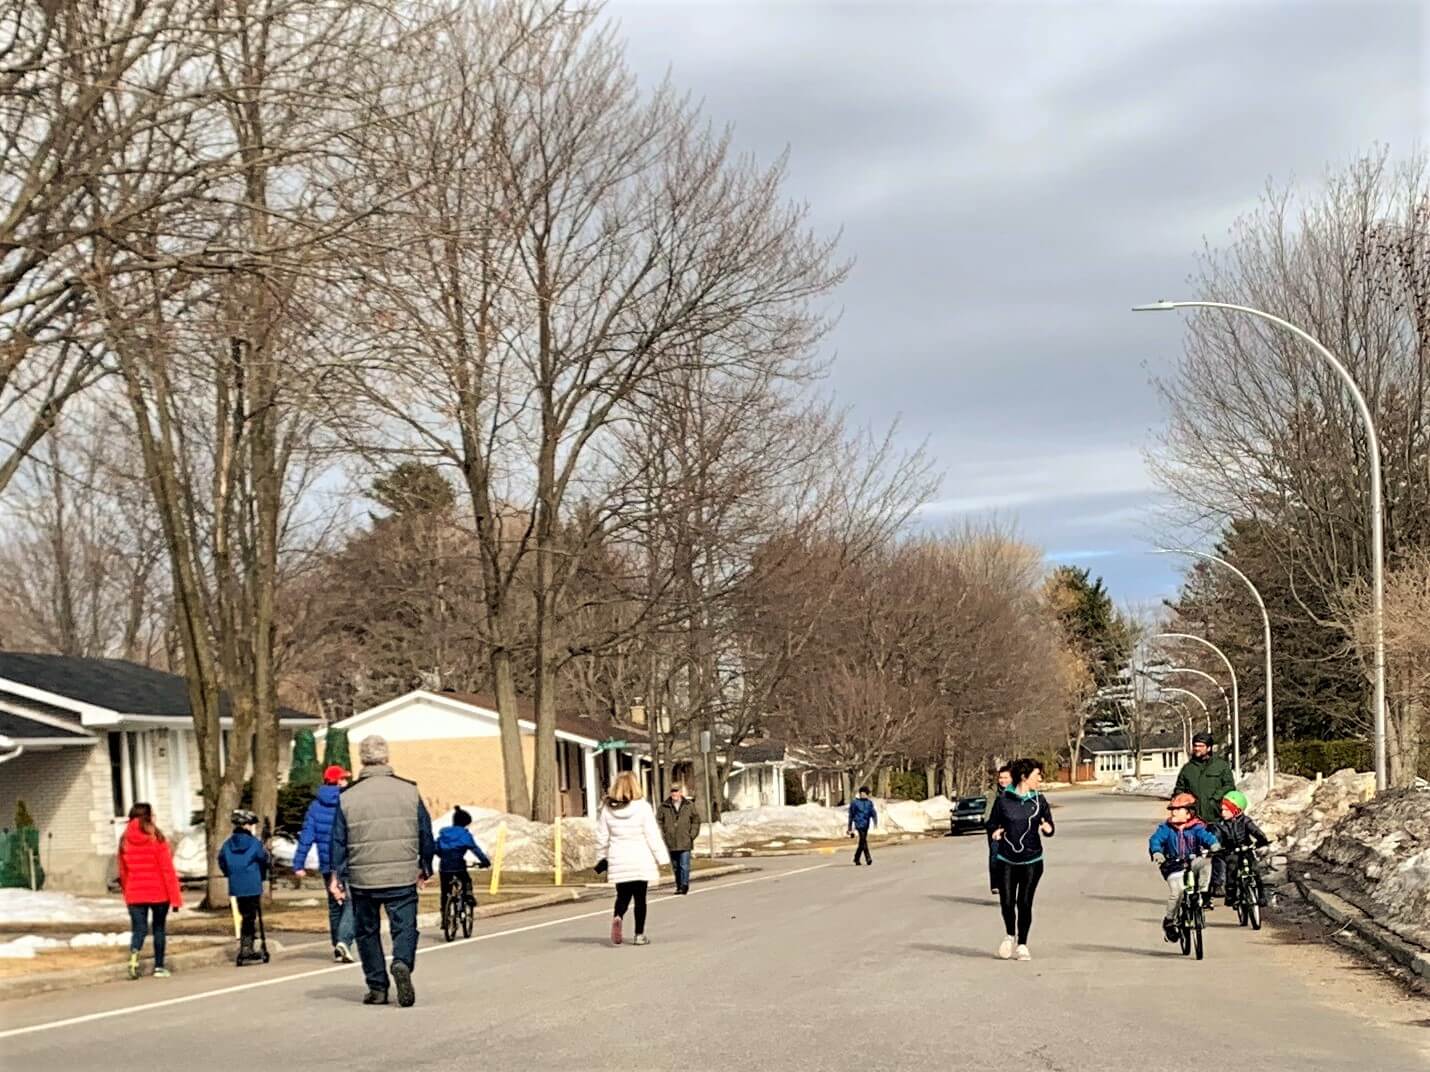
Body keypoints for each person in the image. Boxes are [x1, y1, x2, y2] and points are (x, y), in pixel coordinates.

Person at [329, 735, 435, 1008]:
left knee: (366, 931)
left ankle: (377, 987)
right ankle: (401, 962)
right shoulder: (409, 790)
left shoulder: (348, 796)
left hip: (363, 878)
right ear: (386, 758)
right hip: (401, 873)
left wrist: (336, 876)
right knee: (405, 927)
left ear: (362, 760)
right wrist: (425, 865)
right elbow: (425, 830)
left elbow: (338, 841)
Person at [987, 758, 1054, 961]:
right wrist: (995, 831)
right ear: (1025, 777)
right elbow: (991, 823)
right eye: (1037, 775)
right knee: (1007, 902)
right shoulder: (1004, 800)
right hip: (1006, 859)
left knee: (1024, 902)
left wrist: (1048, 829)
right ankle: (1009, 935)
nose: (1040, 779)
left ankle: (1022, 944)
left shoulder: (1039, 800)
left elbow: (1049, 824)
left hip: (1032, 860)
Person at [595, 771, 670, 947]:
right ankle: (639, 935)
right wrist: (662, 858)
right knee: (640, 899)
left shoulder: (608, 809)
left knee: (622, 896)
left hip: (618, 857)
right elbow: (652, 834)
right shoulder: (643, 807)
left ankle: (618, 916)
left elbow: (602, 836)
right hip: (640, 857)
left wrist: (601, 858)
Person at [293, 764, 356, 963]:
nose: (346, 781)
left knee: (334, 905)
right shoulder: (347, 801)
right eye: (344, 778)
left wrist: (298, 863)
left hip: (327, 863)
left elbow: (306, 836)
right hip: (347, 859)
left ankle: (336, 943)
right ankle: (344, 941)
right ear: (338, 781)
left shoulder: (315, 806)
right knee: (352, 901)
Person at [118, 802, 183, 980]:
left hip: (135, 892)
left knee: (138, 929)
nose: (155, 817)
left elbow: (123, 871)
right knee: (158, 928)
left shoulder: (124, 839)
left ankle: (133, 957)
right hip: (158, 891)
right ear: (147, 816)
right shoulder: (156, 838)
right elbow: (167, 870)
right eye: (152, 814)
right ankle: (159, 966)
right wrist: (175, 897)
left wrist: (127, 890)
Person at [1149, 792, 1221, 942]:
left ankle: (1202, 893)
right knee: (1177, 892)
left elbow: (1207, 837)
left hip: (1192, 861)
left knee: (1206, 862)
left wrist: (1214, 845)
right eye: (1172, 810)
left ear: (1189, 813)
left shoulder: (1196, 828)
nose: (1173, 812)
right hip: (1173, 865)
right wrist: (1157, 852)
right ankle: (1169, 920)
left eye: (1178, 809)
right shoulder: (1166, 828)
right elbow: (1155, 840)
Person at [1173, 732, 1236, 897]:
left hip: (1216, 817)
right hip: (1195, 819)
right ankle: (1195, 886)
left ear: (1209, 748)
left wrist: (1216, 798)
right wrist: (1182, 803)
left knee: (1218, 851)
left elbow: (1229, 786)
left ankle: (1217, 884)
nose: (1196, 749)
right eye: (1195, 746)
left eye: (1200, 746)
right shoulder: (1188, 769)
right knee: (1193, 854)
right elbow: (1179, 789)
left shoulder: (1221, 766)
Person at [218, 809, 270, 967]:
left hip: (237, 885)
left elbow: (222, 862)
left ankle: (247, 944)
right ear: (247, 826)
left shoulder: (227, 845)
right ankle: (246, 947)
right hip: (252, 884)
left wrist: (231, 874)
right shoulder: (254, 844)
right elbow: (263, 859)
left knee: (245, 915)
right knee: (250, 916)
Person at [1214, 789, 1271, 907]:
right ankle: (1231, 895)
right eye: (1222, 809)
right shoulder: (1221, 825)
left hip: (1246, 849)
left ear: (1236, 810)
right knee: (1231, 871)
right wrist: (1216, 847)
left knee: (1255, 870)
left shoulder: (1245, 821)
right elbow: (1217, 837)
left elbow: (1255, 831)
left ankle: (1261, 895)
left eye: (1226, 809)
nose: (1223, 812)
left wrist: (1262, 841)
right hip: (1231, 851)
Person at [433, 806, 491, 917]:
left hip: (444, 866)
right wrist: (485, 862)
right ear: (466, 822)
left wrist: (443, 855)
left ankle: (444, 915)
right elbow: (475, 850)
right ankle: (468, 895)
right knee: (466, 880)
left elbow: (436, 848)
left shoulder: (444, 834)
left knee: (445, 891)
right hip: (458, 864)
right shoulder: (465, 835)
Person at [656, 783, 701, 895]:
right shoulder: (664, 806)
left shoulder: (689, 805)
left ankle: (684, 885)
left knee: (684, 865)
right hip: (670, 841)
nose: (674, 793)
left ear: (681, 792)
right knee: (676, 866)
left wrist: (692, 834)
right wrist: (663, 834)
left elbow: (696, 820)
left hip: (685, 839)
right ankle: (679, 885)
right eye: (673, 791)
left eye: (676, 791)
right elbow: (658, 822)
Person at [984, 765, 1013, 895]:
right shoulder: (993, 792)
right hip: (996, 828)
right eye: (1001, 778)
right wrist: (992, 826)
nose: (1003, 780)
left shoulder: (1018, 791)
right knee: (995, 854)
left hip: (1013, 828)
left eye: (1006, 777)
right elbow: (988, 811)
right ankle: (996, 883)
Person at [848, 786, 878, 866]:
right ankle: (868, 858)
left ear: (867, 794)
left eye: (864, 793)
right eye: (861, 793)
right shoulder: (855, 803)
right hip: (858, 824)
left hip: (866, 824)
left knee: (862, 842)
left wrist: (875, 822)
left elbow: (873, 813)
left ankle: (856, 858)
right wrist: (850, 827)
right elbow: (851, 815)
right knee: (863, 840)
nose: (862, 795)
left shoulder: (869, 803)